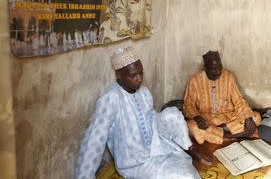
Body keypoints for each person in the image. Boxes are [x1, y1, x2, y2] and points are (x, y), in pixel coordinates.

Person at [74, 46, 211, 179]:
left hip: (155, 145)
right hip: (136, 161)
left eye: (141, 73)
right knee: (183, 175)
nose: (139, 78)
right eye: (133, 75)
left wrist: (168, 122)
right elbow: (94, 141)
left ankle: (189, 149)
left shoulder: (144, 92)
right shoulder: (110, 100)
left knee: (172, 114)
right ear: (119, 75)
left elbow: (151, 118)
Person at [183, 50, 261, 145]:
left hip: (228, 118)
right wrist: (197, 117)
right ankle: (233, 136)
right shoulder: (194, 81)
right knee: (192, 126)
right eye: (213, 69)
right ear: (206, 68)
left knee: (256, 117)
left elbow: (238, 100)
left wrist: (247, 118)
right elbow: (188, 105)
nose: (218, 72)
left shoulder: (228, 77)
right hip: (207, 120)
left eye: (220, 67)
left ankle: (216, 134)